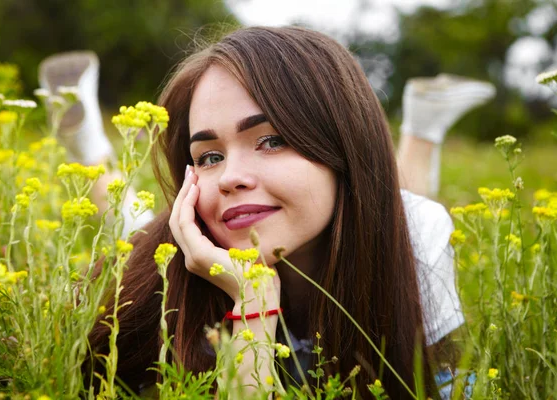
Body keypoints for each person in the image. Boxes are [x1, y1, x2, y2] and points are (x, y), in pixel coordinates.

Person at [38, 27, 495, 398]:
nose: (229, 177)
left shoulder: (417, 234)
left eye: (272, 140)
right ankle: (86, 145)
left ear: (342, 145)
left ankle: (422, 128)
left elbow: (446, 387)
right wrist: (253, 297)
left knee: (390, 206)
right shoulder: (176, 278)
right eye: (209, 156)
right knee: (135, 233)